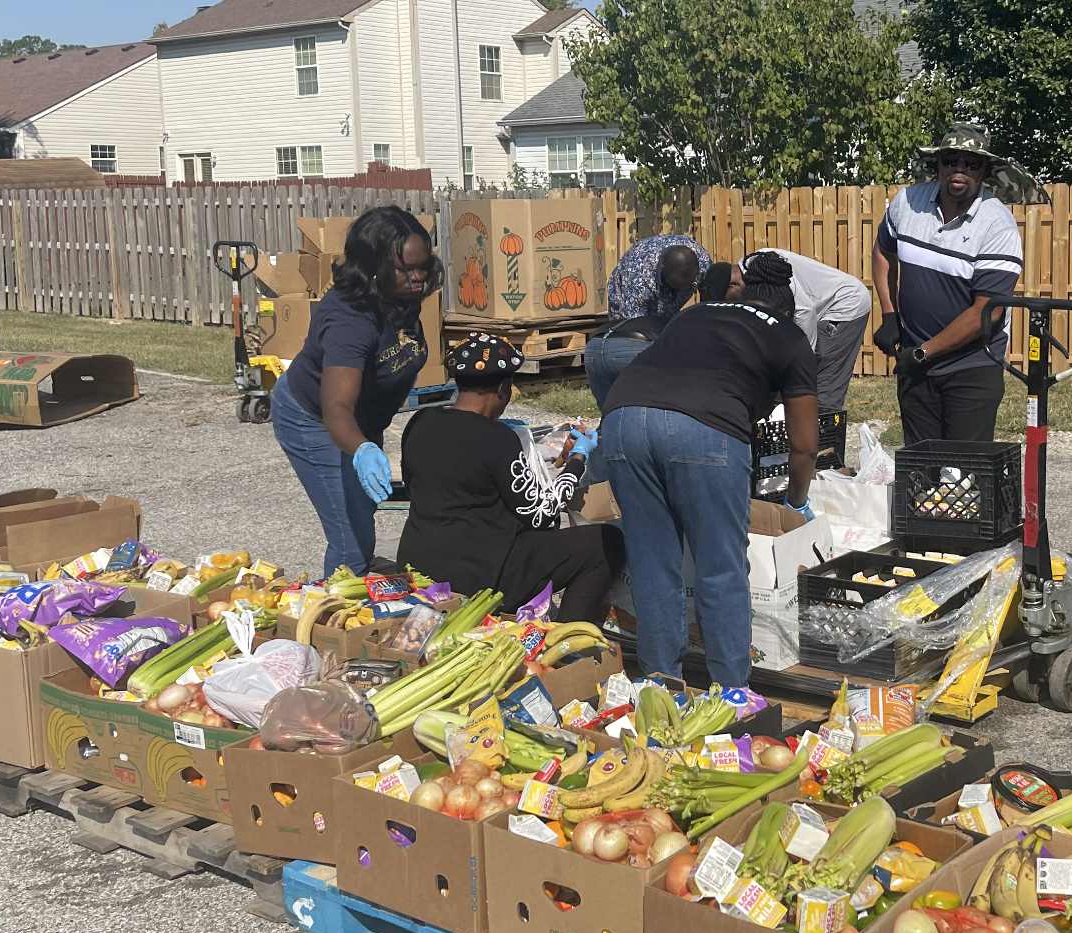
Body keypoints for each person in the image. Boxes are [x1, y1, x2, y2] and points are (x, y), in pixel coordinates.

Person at [600, 252, 818, 686]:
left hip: (623, 418)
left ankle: (661, 687)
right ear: (787, 306)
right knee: (720, 567)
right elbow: (805, 447)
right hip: (704, 430)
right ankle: (732, 691)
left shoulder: (695, 314)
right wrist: (796, 500)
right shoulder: (789, 337)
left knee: (652, 561)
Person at [399, 335, 624, 623]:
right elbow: (541, 513)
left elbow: (418, 486)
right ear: (503, 390)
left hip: (417, 565)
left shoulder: (420, 422)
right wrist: (578, 459)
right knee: (604, 543)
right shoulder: (497, 438)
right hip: (477, 576)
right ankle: (567, 639)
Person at [271, 205, 438, 576]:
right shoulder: (349, 320)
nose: (418, 278)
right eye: (407, 269)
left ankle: (361, 578)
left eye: (423, 266)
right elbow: (337, 408)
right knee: (350, 538)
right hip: (315, 419)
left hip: (362, 417)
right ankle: (337, 604)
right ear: (373, 267)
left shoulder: (401, 294)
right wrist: (361, 448)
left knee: (363, 512)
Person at [871, 122, 1024, 445]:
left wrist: (924, 352)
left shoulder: (997, 225)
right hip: (915, 364)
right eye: (951, 160)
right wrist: (889, 314)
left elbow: (988, 312)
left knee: (963, 468)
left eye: (971, 163)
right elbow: (883, 251)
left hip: (971, 368)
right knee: (921, 462)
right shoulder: (908, 202)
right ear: (937, 165)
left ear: (984, 172)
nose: (960, 169)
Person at [698, 249, 871, 414]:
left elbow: (805, 312)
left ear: (734, 285)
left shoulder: (771, 268)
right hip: (819, 309)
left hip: (845, 304)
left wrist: (803, 360)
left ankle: (824, 432)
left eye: (727, 302)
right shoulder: (753, 271)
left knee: (824, 386)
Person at [586, 233, 710, 406]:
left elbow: (711, 300)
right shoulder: (637, 279)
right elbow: (635, 332)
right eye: (674, 286)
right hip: (630, 304)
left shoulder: (702, 261)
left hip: (665, 285)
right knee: (634, 354)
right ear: (662, 272)